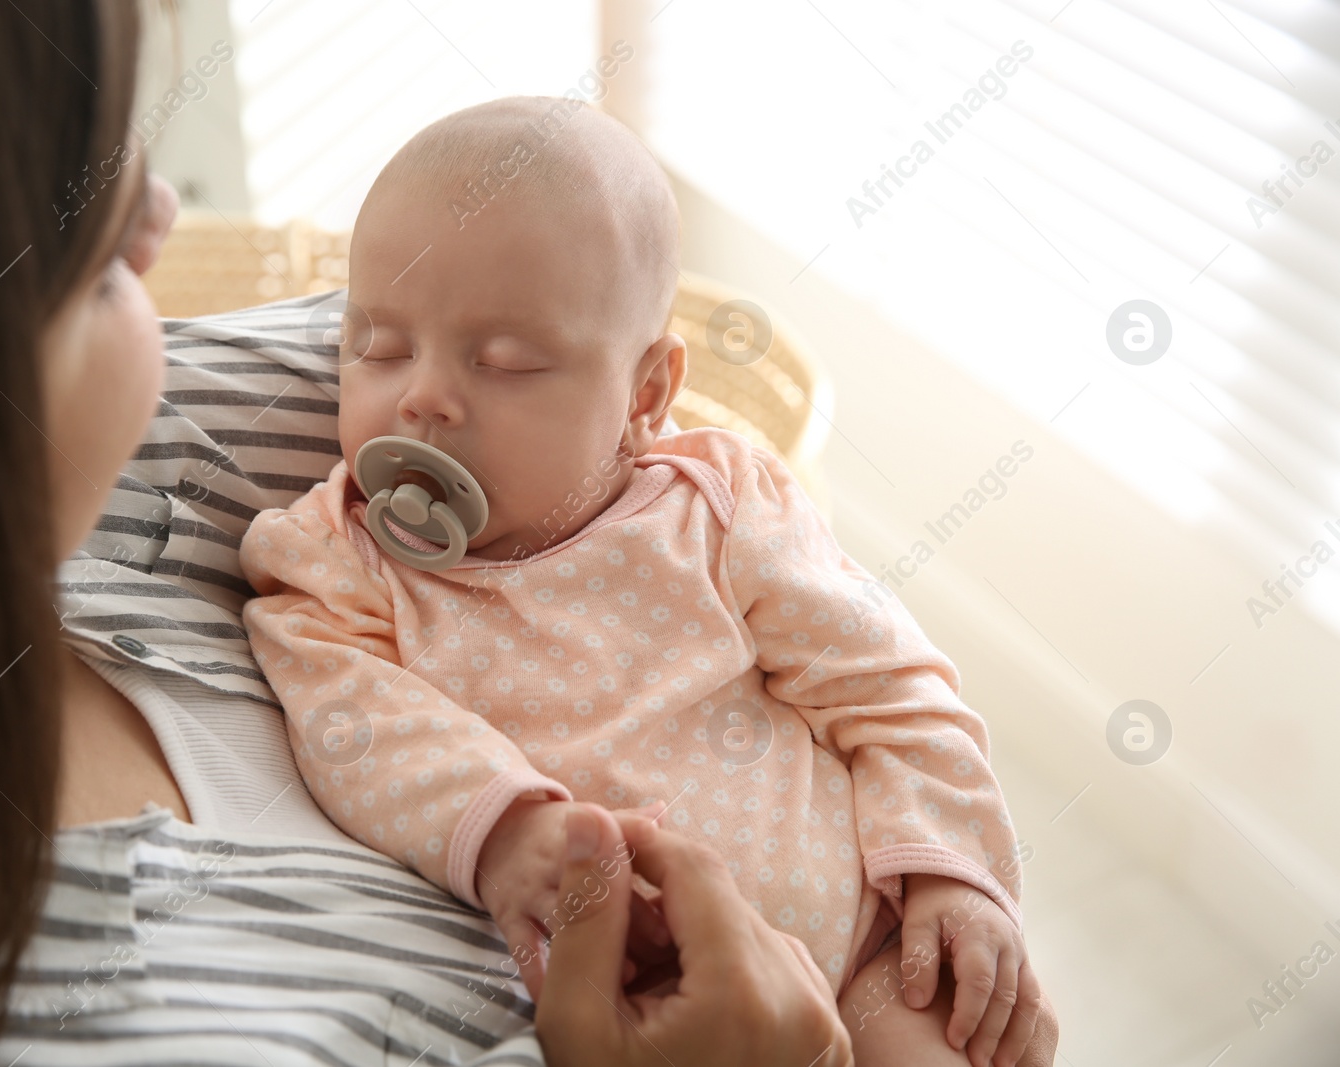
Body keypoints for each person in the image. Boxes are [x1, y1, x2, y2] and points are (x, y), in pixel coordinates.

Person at [0, 3, 889, 1065]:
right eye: (92, 255)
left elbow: (530, 324)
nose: (163, 211)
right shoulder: (111, 1009)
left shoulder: (197, 421)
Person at [239, 97, 1048, 1065]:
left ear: (645, 395)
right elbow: (346, 711)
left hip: (870, 952)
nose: (419, 395)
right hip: (630, 1007)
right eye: (376, 345)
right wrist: (502, 830)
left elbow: (891, 683)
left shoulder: (717, 507)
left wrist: (952, 871)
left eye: (504, 362)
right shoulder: (339, 559)